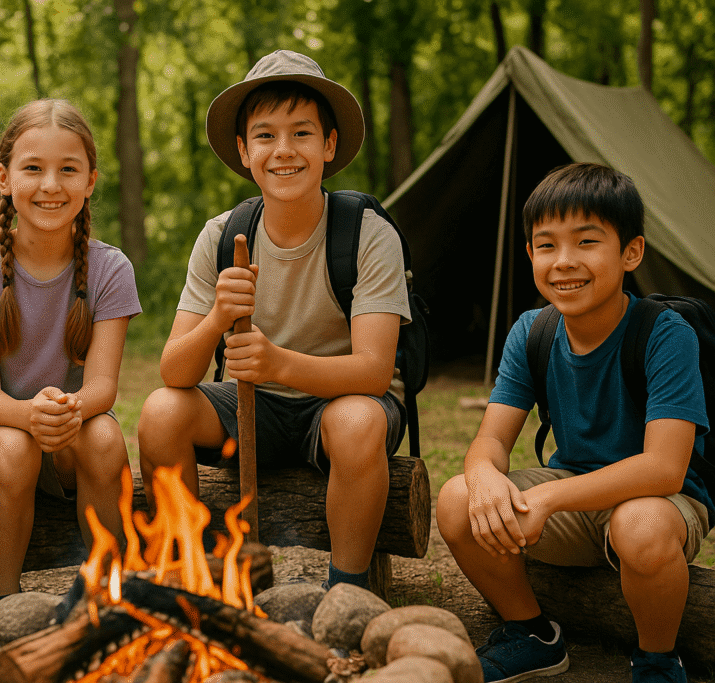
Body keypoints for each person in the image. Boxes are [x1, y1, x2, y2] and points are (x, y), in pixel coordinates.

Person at [136, 50, 411, 591]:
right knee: (161, 413)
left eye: (302, 133)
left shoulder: (367, 234)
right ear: (244, 151)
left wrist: (276, 363)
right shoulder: (222, 235)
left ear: (329, 145)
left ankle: (347, 591)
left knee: (358, 422)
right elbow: (174, 371)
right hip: (251, 405)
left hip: (340, 405)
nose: (283, 150)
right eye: (265, 136)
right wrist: (218, 317)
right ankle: (195, 580)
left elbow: (375, 372)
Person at [436, 163, 711, 683]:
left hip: (661, 503)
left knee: (639, 524)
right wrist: (484, 475)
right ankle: (531, 634)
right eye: (547, 245)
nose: (564, 261)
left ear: (631, 252)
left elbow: (664, 468)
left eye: (586, 242)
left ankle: (657, 660)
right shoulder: (532, 330)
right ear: (530, 254)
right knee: (456, 498)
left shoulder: (665, 334)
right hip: (574, 496)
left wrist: (546, 499)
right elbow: (491, 439)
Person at [0, 99, 140, 606]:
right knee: (15, 448)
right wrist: (31, 415)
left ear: (90, 181)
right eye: (33, 169)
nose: (51, 185)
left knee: (106, 438)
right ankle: (5, 602)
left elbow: (102, 388)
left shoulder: (111, 269)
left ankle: (108, 594)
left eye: (68, 170)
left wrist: (65, 410)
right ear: (4, 178)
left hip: (69, 427)